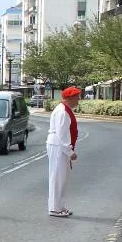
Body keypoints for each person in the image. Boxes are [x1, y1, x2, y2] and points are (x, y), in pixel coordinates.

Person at [46, 86, 81, 218]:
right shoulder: (63, 112)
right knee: (58, 177)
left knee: (61, 177)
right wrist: (70, 152)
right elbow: (62, 134)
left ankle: (59, 206)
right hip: (58, 146)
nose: (78, 99)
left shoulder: (64, 110)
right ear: (70, 98)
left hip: (57, 145)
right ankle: (55, 208)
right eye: (77, 97)